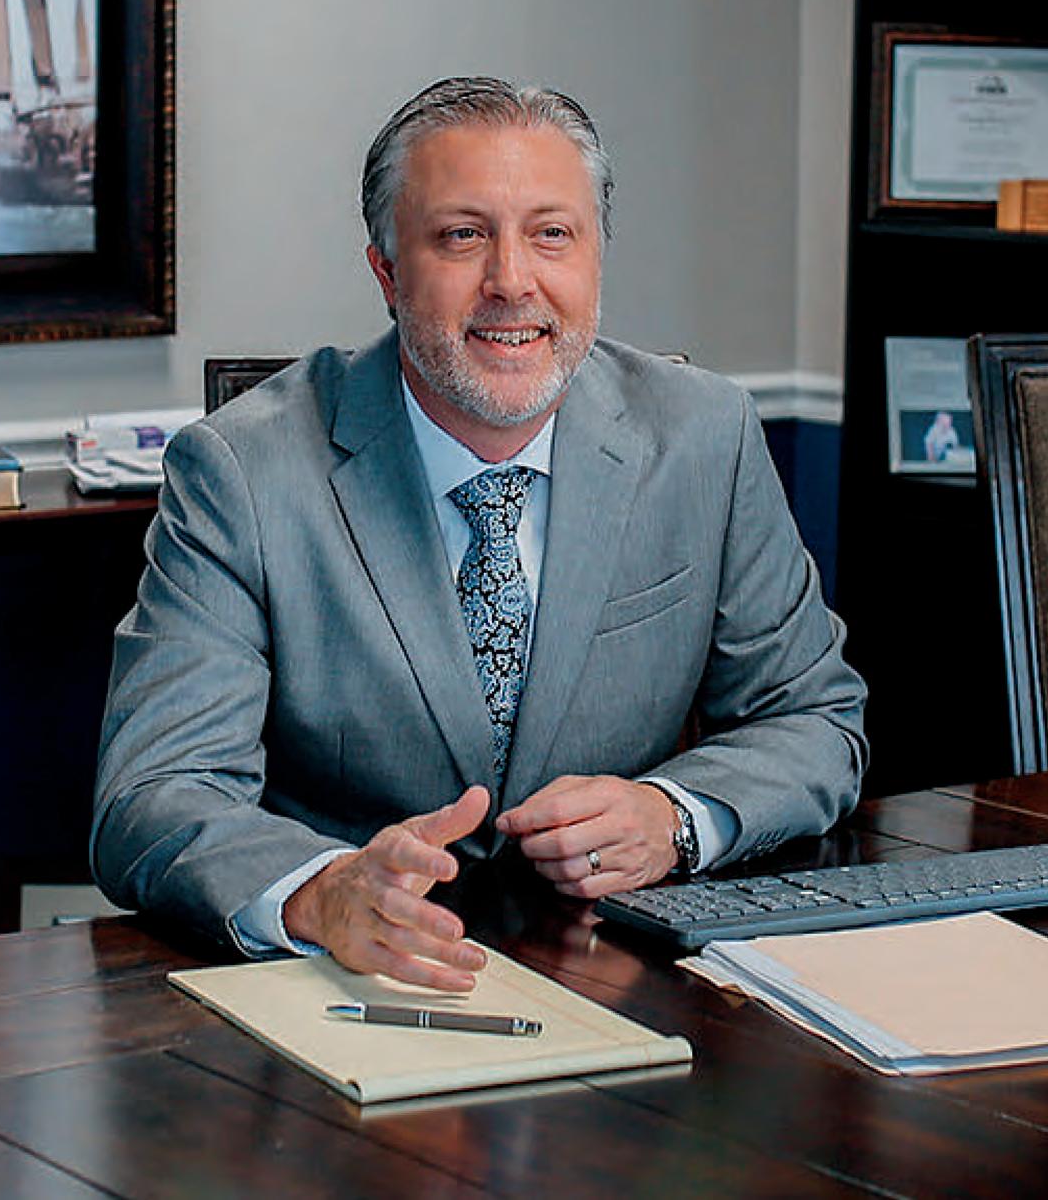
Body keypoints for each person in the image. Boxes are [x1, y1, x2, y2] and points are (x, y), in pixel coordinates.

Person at [92, 76, 866, 990]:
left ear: (596, 257)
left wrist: (673, 816)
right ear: (387, 272)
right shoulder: (243, 471)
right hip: (352, 988)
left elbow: (812, 717)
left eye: (552, 234)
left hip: (622, 975)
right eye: (462, 236)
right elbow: (155, 793)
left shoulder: (703, 435)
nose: (511, 281)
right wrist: (324, 893)